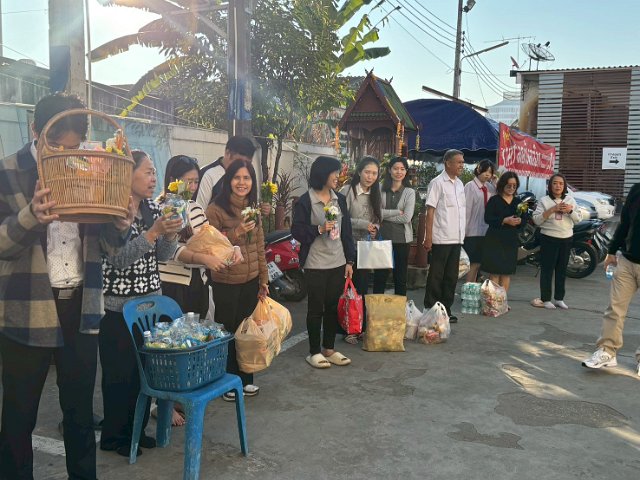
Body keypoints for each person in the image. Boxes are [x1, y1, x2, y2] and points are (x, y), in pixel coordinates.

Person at [0, 93, 132, 480]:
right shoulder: (8, 172)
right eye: (56, 146)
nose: (65, 155)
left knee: (79, 413)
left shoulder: (90, 167)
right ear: (35, 131)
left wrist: (120, 225)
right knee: (19, 416)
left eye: (73, 147)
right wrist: (30, 216)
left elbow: (109, 248)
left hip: (81, 305)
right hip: (27, 308)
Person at [99, 150, 182, 457]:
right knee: (119, 377)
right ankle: (115, 436)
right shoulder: (111, 211)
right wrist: (153, 232)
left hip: (150, 307)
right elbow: (119, 260)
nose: (153, 178)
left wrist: (170, 234)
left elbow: (162, 256)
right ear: (127, 174)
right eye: (147, 172)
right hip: (118, 309)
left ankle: (137, 430)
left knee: (143, 374)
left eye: (153, 172)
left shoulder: (152, 208)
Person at [156, 155, 228, 426]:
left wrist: (226, 251)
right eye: (188, 180)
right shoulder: (164, 207)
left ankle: (180, 397)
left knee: (191, 343)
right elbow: (170, 251)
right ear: (173, 180)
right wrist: (204, 257)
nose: (194, 186)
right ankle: (162, 404)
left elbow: (208, 240)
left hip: (196, 282)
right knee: (169, 346)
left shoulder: (196, 208)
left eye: (196, 181)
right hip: (172, 286)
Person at [206, 160, 269, 401]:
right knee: (228, 332)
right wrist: (237, 232)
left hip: (250, 280)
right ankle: (228, 382)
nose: (242, 183)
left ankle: (246, 380)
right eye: (237, 177)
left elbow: (259, 247)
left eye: (247, 178)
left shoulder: (252, 209)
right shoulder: (215, 209)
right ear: (228, 180)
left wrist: (263, 279)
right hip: (226, 282)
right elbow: (211, 246)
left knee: (247, 332)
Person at [292, 155, 355, 369]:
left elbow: (347, 233)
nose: (337, 176)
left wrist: (349, 261)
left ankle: (329, 348)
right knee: (316, 309)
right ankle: (314, 352)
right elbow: (297, 231)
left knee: (332, 307)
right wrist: (319, 229)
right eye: (334, 173)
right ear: (322, 174)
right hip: (315, 263)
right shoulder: (306, 201)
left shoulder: (340, 200)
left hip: (338, 262)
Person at [582, 182, 640, 376]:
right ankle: (607, 351)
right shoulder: (636, 189)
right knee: (615, 309)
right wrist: (612, 251)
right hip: (627, 261)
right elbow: (625, 223)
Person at [339, 156, 382, 344]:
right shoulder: (347, 191)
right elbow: (341, 219)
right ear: (359, 172)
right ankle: (347, 329)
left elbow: (378, 218)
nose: (370, 176)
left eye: (374, 173)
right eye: (367, 172)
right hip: (347, 246)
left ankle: (360, 327)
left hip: (365, 247)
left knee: (362, 288)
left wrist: (375, 229)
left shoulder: (376, 193)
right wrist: (364, 224)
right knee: (348, 288)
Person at [423, 149, 466, 323]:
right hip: (441, 237)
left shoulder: (460, 184)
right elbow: (430, 211)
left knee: (451, 276)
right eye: (459, 162)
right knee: (436, 276)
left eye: (463, 162)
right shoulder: (437, 183)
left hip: (457, 237)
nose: (462, 165)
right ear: (448, 163)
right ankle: (431, 308)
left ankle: (446, 309)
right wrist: (428, 237)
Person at [531, 173, 582, 309]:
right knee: (547, 270)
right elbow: (536, 220)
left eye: (561, 183)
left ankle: (559, 298)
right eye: (555, 183)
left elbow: (578, 219)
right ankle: (546, 299)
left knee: (562, 270)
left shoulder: (570, 200)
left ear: (564, 186)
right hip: (548, 238)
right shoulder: (544, 200)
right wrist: (552, 210)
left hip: (566, 238)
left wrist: (570, 211)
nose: (558, 186)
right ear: (550, 186)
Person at [373, 156, 415, 296]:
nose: (399, 172)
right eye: (396, 168)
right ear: (389, 170)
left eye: (402, 169)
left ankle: (400, 308)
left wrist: (384, 215)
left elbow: (406, 218)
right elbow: (376, 212)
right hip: (382, 238)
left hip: (402, 239)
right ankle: (375, 308)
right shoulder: (380, 188)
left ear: (406, 171)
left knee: (400, 277)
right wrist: (396, 212)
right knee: (380, 277)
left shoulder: (409, 192)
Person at [480, 171, 523, 294]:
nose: (511, 188)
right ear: (503, 184)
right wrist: (504, 220)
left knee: (506, 273)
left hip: (510, 240)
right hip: (495, 239)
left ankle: (502, 300)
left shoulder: (518, 202)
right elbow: (487, 218)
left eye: (514, 186)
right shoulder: (494, 200)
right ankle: (492, 301)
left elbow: (524, 220)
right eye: (509, 185)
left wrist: (520, 221)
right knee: (494, 272)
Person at [195, 136, 255, 208]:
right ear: (227, 153)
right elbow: (199, 209)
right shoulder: (209, 174)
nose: (242, 166)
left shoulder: (249, 173)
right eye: (239, 162)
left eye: (248, 163)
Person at [463, 159, 496, 283]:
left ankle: (474, 287)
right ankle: (468, 288)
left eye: (490, 172)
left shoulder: (490, 187)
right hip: (472, 231)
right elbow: (466, 210)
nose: (487, 174)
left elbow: (499, 197)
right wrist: (464, 231)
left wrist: (496, 181)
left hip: (486, 231)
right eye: (485, 171)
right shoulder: (470, 186)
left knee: (479, 263)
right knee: (473, 263)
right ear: (478, 170)